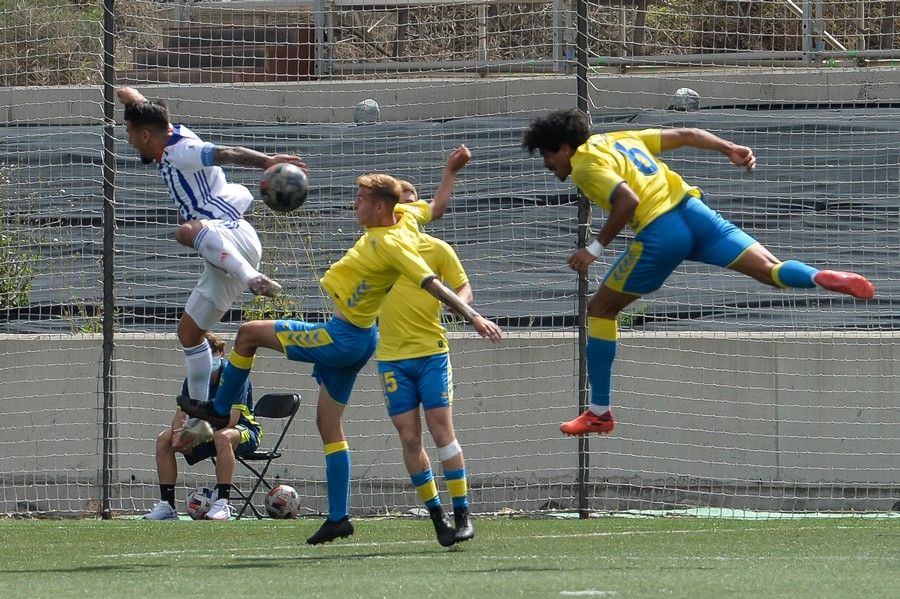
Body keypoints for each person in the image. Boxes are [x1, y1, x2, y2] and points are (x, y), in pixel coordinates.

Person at [179, 172, 502, 544]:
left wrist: (474, 317)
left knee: (248, 333)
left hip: (343, 337)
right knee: (328, 425)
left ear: (380, 206)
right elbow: (433, 207)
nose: (354, 204)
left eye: (360, 198)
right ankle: (338, 518)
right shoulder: (406, 217)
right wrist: (452, 169)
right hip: (363, 339)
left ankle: (219, 409)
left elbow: (431, 282)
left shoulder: (394, 245)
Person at [522, 108, 876, 437]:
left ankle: (599, 411)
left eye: (547, 156)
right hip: (695, 212)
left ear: (565, 148)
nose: (548, 165)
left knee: (600, 310)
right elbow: (688, 133)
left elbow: (626, 200)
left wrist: (593, 249)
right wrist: (730, 148)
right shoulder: (620, 138)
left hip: (661, 233)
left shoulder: (584, 165)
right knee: (771, 270)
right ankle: (820, 277)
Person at [116, 86, 306, 413]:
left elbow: (224, 153)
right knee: (189, 334)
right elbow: (134, 101)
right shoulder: (164, 134)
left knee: (186, 231)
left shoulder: (183, 149)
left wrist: (267, 161)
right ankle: (200, 413)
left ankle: (253, 279)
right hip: (221, 258)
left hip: (231, 236)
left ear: (146, 135)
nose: (129, 140)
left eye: (131, 134)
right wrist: (128, 94)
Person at [378, 152, 476, 547]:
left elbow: (464, 287)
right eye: (401, 198)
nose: (408, 203)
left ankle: (462, 512)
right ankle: (437, 517)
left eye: (413, 197)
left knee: (441, 431)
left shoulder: (437, 249)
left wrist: (462, 306)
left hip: (431, 352)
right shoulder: (379, 248)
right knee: (408, 437)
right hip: (390, 357)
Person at [143, 331, 261, 521]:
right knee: (164, 439)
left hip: (243, 431)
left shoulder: (234, 375)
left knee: (223, 435)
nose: (206, 360)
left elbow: (231, 421)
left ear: (220, 354)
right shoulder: (193, 377)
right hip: (206, 433)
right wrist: (179, 435)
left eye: (211, 354)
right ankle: (167, 506)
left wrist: (196, 434)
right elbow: (181, 413)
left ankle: (222, 503)